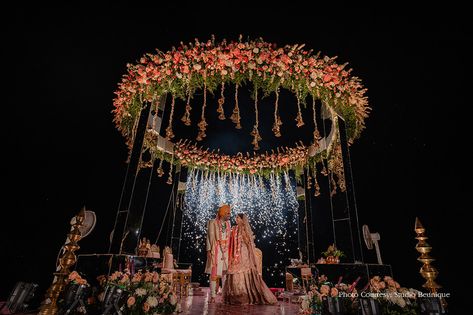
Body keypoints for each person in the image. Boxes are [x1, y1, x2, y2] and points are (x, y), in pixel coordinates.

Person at [223, 213, 277, 305]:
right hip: (235, 252)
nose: (236, 219)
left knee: (242, 271)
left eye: (238, 218)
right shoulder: (234, 229)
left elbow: (248, 242)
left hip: (243, 252)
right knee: (234, 271)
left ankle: (244, 294)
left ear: (242, 220)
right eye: (236, 217)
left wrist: (244, 238)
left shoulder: (244, 229)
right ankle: (234, 295)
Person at [205, 204, 232, 303]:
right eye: (228, 213)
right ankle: (212, 296)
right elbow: (208, 237)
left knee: (225, 273)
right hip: (216, 249)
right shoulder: (213, 222)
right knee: (214, 273)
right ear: (222, 213)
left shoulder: (228, 223)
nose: (229, 215)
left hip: (226, 250)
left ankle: (224, 295)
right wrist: (208, 251)